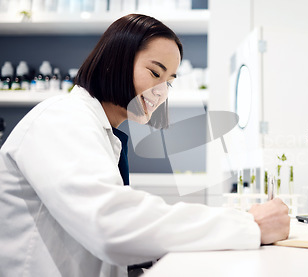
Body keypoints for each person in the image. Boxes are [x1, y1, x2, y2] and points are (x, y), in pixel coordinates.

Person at [0, 14, 290, 277]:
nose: (161, 92)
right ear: (115, 61)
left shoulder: (99, 132)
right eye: (155, 73)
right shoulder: (61, 119)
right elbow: (113, 224)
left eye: (169, 82)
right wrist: (248, 225)